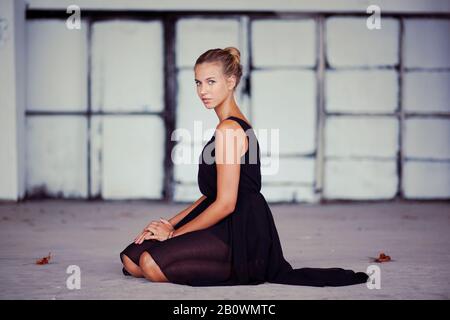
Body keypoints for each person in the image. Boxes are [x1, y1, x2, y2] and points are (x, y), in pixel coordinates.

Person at [119, 47, 369, 287]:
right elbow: (212, 195)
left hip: (242, 229)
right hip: (223, 215)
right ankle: (197, 256)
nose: (203, 90)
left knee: (149, 264)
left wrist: (174, 235)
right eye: (198, 82)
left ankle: (244, 266)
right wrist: (169, 224)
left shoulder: (229, 129)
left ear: (231, 82)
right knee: (131, 260)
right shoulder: (226, 125)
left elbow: (226, 203)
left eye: (211, 82)